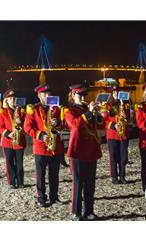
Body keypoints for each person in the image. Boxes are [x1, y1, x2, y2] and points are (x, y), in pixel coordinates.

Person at [62, 84, 105, 221]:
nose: (82, 97)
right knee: (78, 182)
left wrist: (99, 115)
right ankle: (75, 211)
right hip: (77, 150)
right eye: (79, 95)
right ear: (73, 96)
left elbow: (99, 126)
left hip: (91, 150)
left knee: (90, 183)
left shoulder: (88, 109)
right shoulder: (69, 111)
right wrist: (88, 113)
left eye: (83, 95)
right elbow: (75, 125)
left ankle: (89, 211)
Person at [24, 83, 64, 207]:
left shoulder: (57, 108)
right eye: (44, 93)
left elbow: (63, 126)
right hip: (41, 147)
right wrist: (41, 135)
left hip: (55, 147)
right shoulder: (33, 109)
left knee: (54, 174)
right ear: (39, 95)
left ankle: (54, 196)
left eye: (49, 93)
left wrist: (57, 123)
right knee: (40, 175)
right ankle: (41, 197)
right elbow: (27, 127)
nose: (47, 95)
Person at [0, 89, 26, 189]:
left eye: (13, 98)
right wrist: (8, 134)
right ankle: (12, 182)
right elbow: (0, 127)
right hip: (7, 141)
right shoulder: (2, 112)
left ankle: (20, 181)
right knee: (9, 162)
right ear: (6, 100)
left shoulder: (21, 110)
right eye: (10, 98)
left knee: (19, 162)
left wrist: (21, 122)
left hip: (19, 141)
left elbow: (26, 125)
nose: (12, 100)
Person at [103, 82, 130, 184]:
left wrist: (123, 105)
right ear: (111, 93)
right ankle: (114, 177)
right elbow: (104, 120)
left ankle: (122, 176)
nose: (116, 93)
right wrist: (113, 125)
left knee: (123, 157)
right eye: (114, 92)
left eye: (117, 91)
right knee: (113, 157)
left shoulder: (126, 104)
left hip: (123, 134)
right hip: (112, 134)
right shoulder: (107, 105)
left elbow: (128, 118)